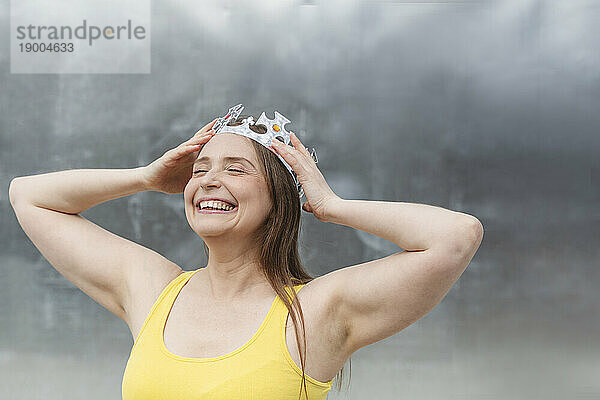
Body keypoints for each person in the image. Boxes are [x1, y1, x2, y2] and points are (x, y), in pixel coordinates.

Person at [8, 104, 484, 399]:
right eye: (200, 169)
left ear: (278, 197)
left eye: (236, 169)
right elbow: (28, 195)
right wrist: (146, 177)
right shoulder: (155, 291)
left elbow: (456, 236)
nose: (209, 179)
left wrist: (331, 206)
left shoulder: (316, 311)